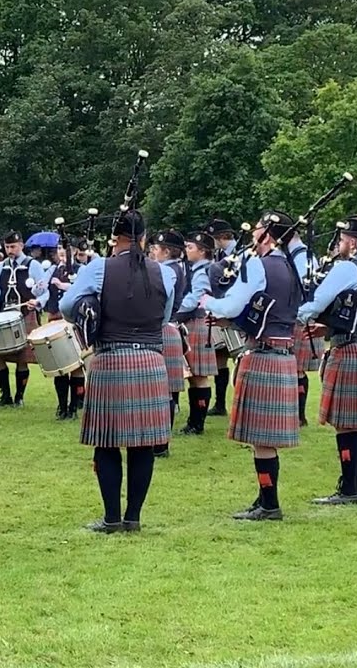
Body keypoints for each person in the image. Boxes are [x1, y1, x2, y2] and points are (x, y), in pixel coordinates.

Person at [61, 210, 174, 533]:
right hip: (151, 359)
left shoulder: (99, 268)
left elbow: (69, 305)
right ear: (143, 237)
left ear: (116, 238)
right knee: (143, 443)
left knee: (107, 442)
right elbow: (165, 315)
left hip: (111, 357)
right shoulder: (163, 273)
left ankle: (111, 518)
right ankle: (133, 517)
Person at [203, 212, 302, 521]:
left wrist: (209, 302)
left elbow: (232, 304)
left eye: (258, 229)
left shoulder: (260, 264)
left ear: (268, 235)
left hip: (262, 355)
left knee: (262, 442)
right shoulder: (290, 266)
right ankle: (263, 499)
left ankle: (269, 504)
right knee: (265, 441)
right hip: (283, 352)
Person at [297, 216, 357, 506]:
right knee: (355, 425)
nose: (338, 243)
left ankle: (349, 489)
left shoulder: (347, 267)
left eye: (342, 238)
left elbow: (316, 302)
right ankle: (354, 486)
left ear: (353, 242)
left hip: (348, 351)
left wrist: (292, 316)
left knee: (345, 424)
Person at [0, 232, 46, 407]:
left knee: (22, 357)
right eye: (7, 247)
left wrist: (37, 301)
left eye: (13, 246)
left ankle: (19, 397)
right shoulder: (0, 267)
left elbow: (44, 290)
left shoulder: (33, 265)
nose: (10, 250)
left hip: (25, 314)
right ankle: (5, 395)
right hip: (2, 315)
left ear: (21, 245)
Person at [148, 231, 188, 453]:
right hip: (170, 328)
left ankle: (161, 443)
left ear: (167, 251)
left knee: (165, 390)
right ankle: (160, 442)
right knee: (168, 390)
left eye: (157, 248)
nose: (153, 251)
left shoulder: (168, 271)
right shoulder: (175, 268)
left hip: (163, 327)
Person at [175, 229, 218, 436]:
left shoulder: (203, 272)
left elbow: (194, 300)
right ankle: (194, 421)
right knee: (195, 375)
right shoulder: (197, 269)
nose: (186, 250)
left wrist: (173, 312)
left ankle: (197, 423)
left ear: (202, 251)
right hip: (194, 322)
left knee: (199, 375)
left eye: (190, 247)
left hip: (196, 321)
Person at [41, 242, 87, 421]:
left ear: (74, 251)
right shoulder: (52, 269)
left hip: (72, 320)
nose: (61, 252)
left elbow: (80, 289)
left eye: (65, 249)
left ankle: (74, 406)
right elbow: (42, 289)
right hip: (54, 319)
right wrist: (38, 288)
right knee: (58, 365)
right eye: (59, 249)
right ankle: (62, 406)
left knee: (75, 364)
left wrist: (61, 285)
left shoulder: (81, 269)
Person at [287, 229, 323, 427]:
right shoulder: (304, 255)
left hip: (301, 316)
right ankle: (297, 415)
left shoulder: (300, 257)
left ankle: (299, 416)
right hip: (304, 316)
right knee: (296, 369)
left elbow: (304, 286)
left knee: (297, 370)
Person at [204, 219, 238, 416]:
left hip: (234, 312)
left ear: (222, 237)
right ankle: (220, 404)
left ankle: (241, 402)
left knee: (240, 357)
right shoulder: (219, 255)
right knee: (220, 356)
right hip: (219, 311)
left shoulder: (241, 253)